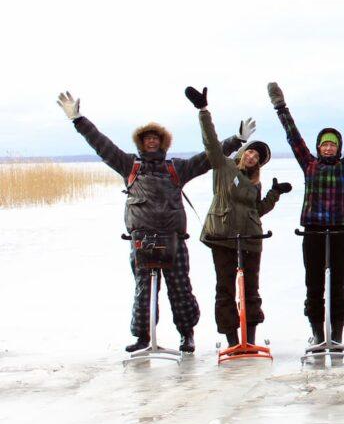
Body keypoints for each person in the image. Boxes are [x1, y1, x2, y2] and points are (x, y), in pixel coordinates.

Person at [55, 90, 245, 353]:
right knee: (144, 291)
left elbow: (208, 158)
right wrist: (78, 120)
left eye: (156, 138)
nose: (152, 142)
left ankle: (186, 335)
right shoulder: (128, 165)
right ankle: (144, 338)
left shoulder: (176, 168)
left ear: (163, 142)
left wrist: (237, 140)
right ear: (141, 143)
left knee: (180, 288)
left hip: (174, 239)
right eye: (147, 139)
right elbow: (101, 144)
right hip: (141, 239)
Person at [267, 81, 344, 345]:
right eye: (325, 144)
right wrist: (280, 107)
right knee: (314, 287)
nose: (329, 148)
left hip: (341, 231)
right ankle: (319, 334)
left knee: (337, 288)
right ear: (319, 147)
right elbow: (292, 136)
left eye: (333, 145)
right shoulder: (309, 165)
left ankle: (338, 333)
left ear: (338, 148)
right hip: (313, 232)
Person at [185, 86, 290, 347]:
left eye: (259, 157)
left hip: (251, 239)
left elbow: (258, 210)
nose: (254, 157)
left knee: (251, 290)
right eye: (252, 152)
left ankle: (250, 340)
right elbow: (210, 142)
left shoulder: (255, 184)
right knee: (225, 290)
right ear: (244, 152)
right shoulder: (224, 167)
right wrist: (203, 111)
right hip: (222, 236)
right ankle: (233, 342)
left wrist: (274, 194)